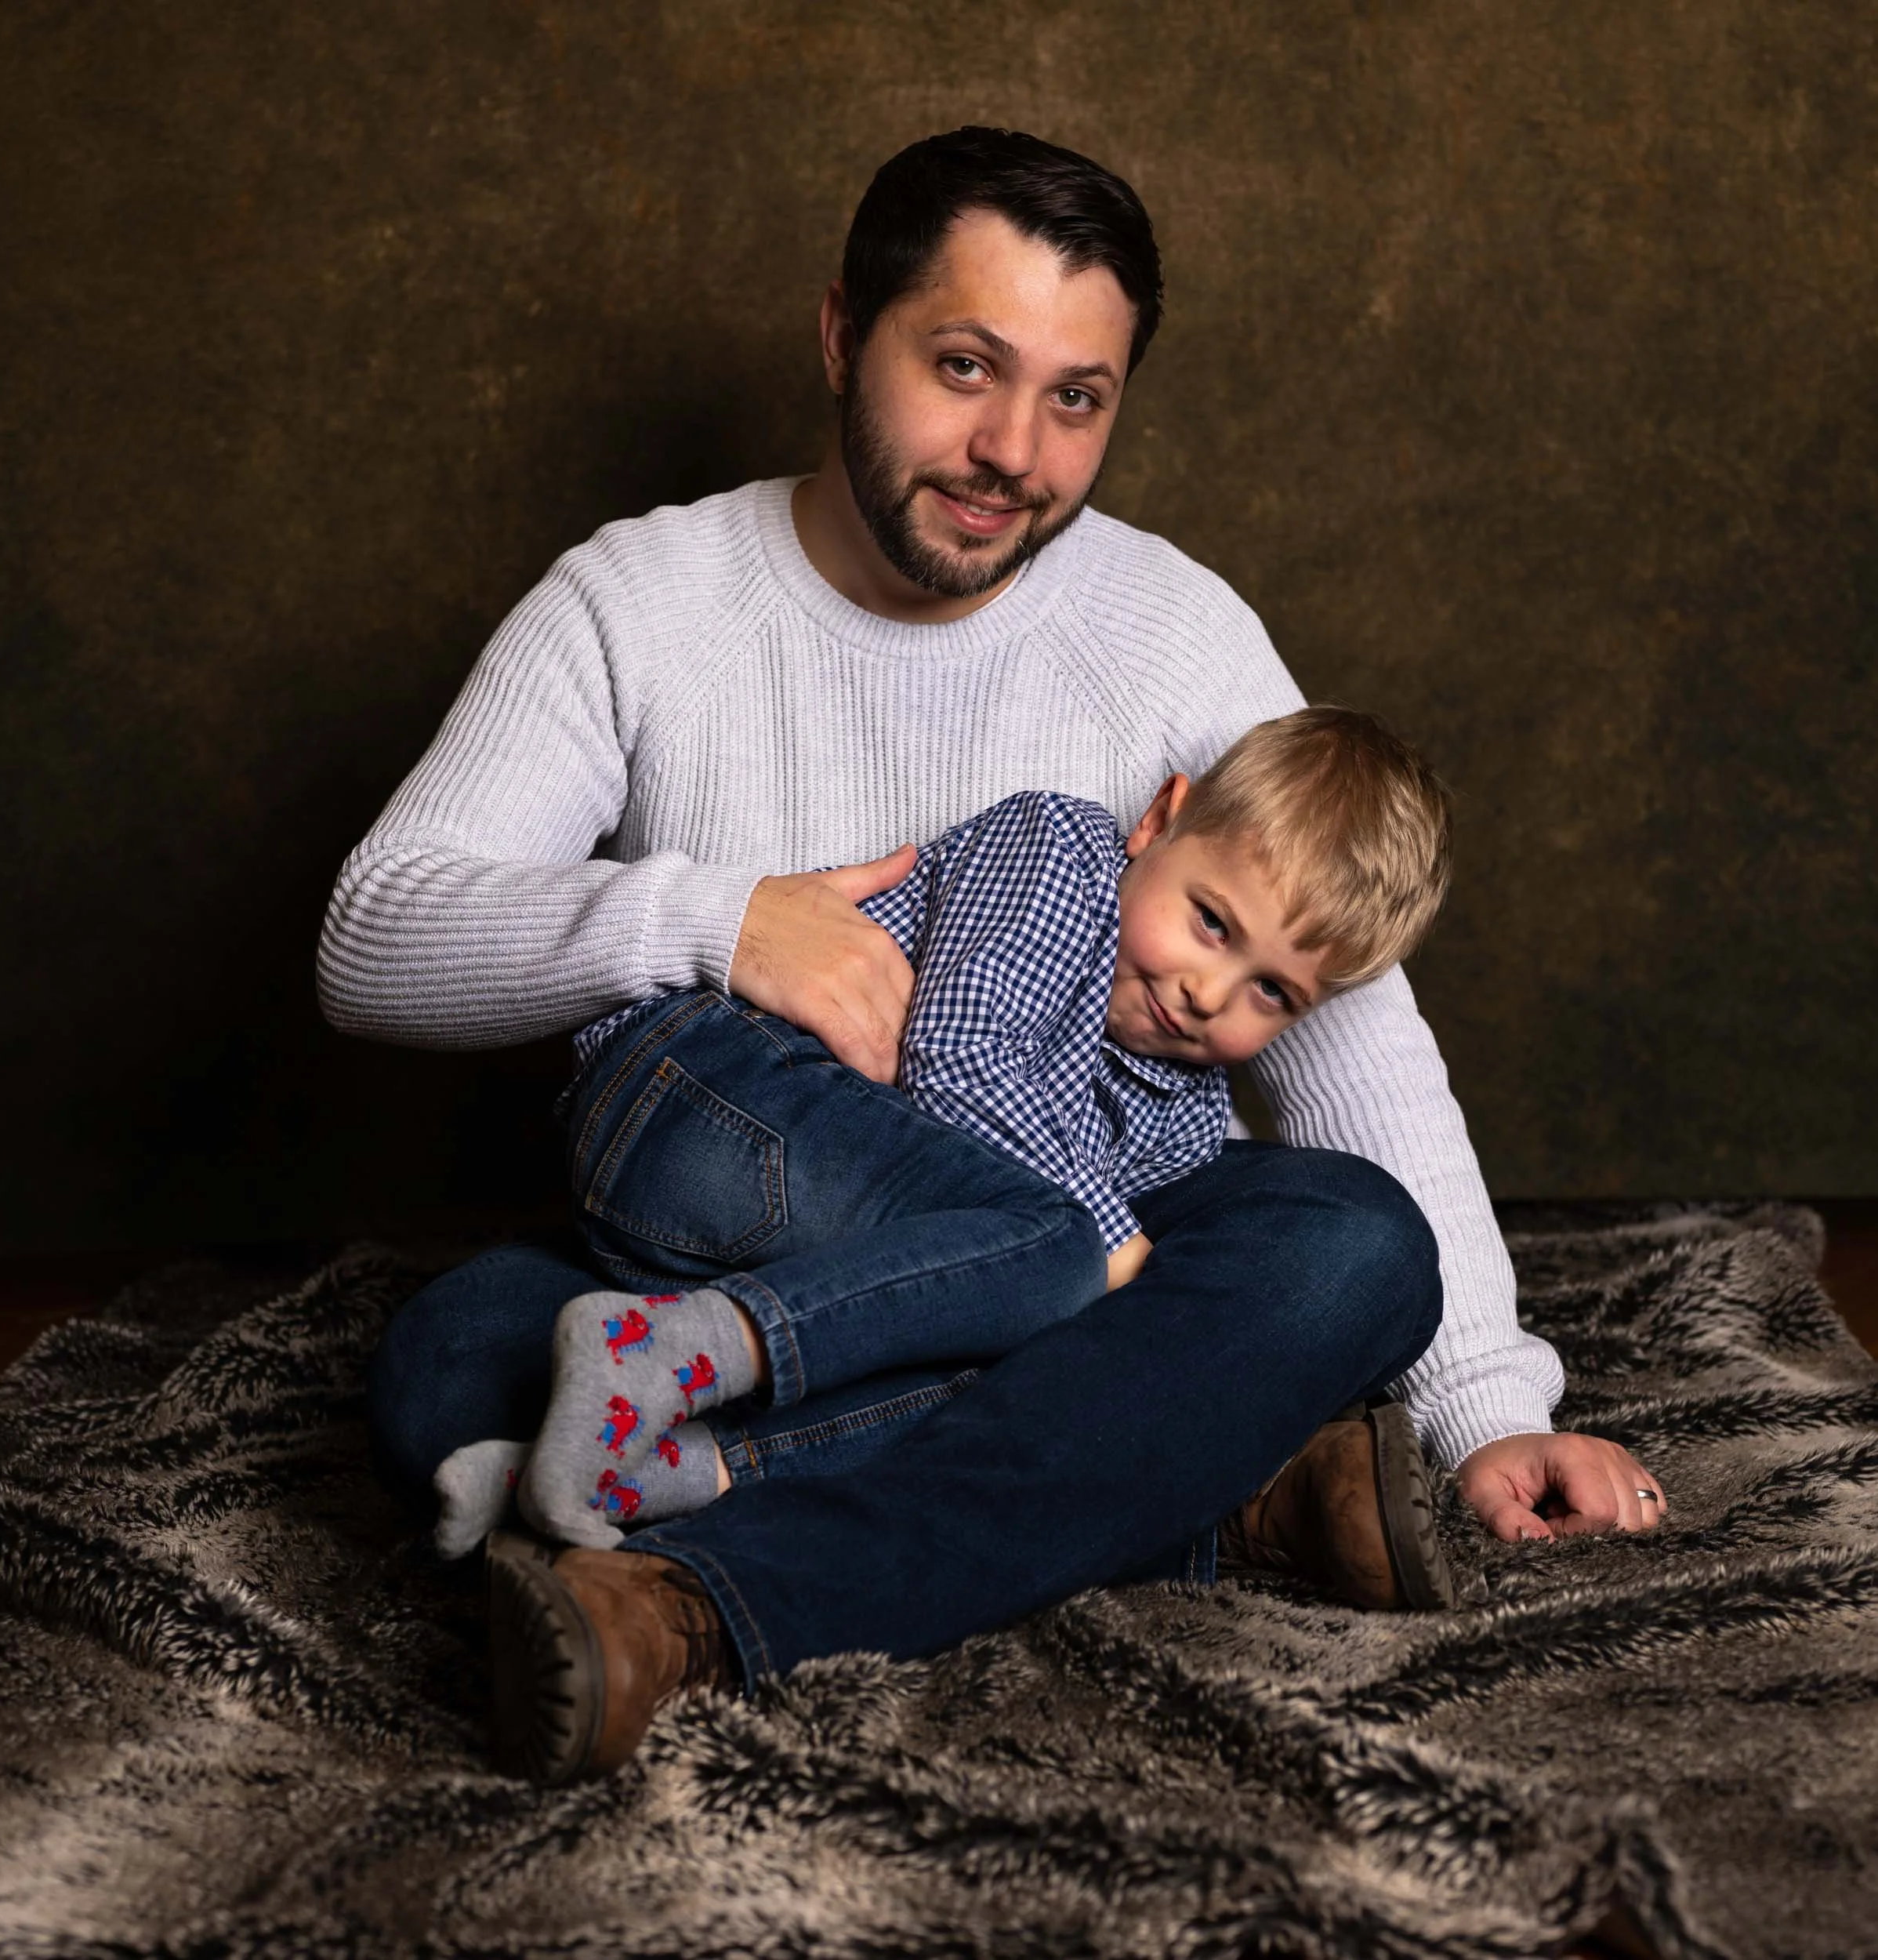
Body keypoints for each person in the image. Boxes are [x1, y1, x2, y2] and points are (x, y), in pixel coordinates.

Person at [320, 127, 1667, 1786]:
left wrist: (1479, 1400)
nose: (1010, 451)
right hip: (773, 1232)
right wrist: (719, 919)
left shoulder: (1168, 623)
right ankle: (1217, 1488)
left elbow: (1343, 1032)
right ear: (839, 335)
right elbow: (376, 932)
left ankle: (680, 1601)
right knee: (457, 1345)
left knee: (1351, 1247)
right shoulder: (637, 600)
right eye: (962, 365)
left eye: (1076, 398)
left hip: (1053, 1218)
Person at [432, 708, 1455, 1603]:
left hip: (773, 1255)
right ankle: (650, 1356)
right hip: (710, 1097)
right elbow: (959, 1053)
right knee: (1059, 1261)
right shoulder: (1065, 856)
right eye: (1211, 923)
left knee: (1014, 1343)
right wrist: (1107, 1251)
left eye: (1272, 994)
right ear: (1161, 822)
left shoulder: (1181, 1120)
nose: (1207, 993)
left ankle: (615, 1473)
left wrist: (1480, 1407)